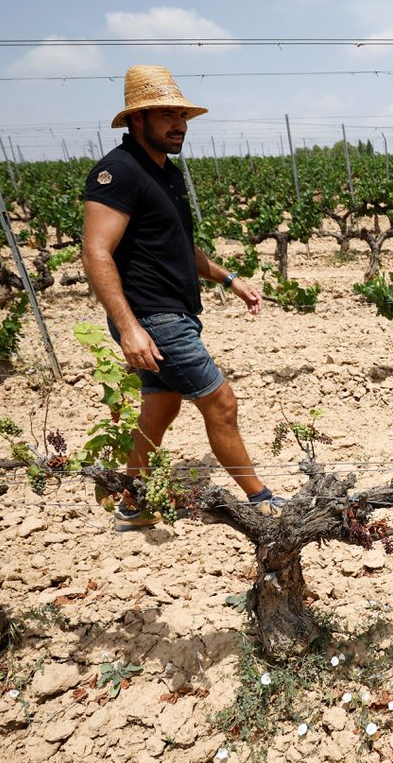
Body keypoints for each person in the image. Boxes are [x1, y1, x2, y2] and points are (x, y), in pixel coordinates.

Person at [81, 64, 282, 530]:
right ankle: (262, 502)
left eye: (182, 115)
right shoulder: (119, 172)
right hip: (152, 316)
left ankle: (131, 502)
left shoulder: (165, 173)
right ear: (137, 120)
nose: (179, 125)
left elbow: (177, 245)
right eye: (166, 115)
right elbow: (95, 251)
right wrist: (130, 327)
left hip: (173, 311)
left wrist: (228, 278)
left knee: (163, 404)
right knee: (221, 403)